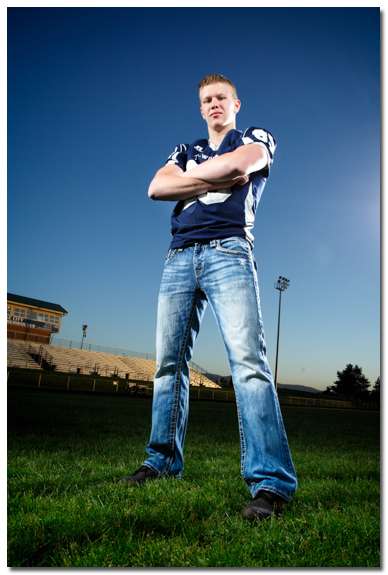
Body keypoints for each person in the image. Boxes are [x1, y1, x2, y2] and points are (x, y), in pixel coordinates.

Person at [122, 74, 297, 520]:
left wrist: (195, 180)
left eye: (221, 97)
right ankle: (160, 463)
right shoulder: (185, 149)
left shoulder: (255, 136)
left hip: (229, 250)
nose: (214, 103)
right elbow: (156, 188)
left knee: (249, 364)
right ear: (200, 108)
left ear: (236, 103)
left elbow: (242, 166)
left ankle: (271, 484)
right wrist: (211, 177)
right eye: (207, 100)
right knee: (167, 365)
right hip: (179, 256)